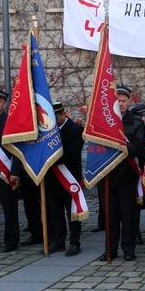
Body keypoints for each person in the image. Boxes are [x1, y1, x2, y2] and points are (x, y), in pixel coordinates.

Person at [98, 84, 145, 261]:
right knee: (109, 216)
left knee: (127, 215)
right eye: (118, 100)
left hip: (126, 175)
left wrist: (120, 141)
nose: (121, 104)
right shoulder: (103, 122)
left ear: (129, 102)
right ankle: (110, 249)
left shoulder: (136, 124)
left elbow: (138, 149)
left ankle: (128, 248)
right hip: (107, 175)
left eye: (124, 101)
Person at [44, 102, 84, 256]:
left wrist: (51, 159)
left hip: (69, 177)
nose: (54, 120)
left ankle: (75, 242)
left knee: (72, 212)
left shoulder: (75, 129)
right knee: (55, 212)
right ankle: (58, 241)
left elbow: (72, 153)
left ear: (63, 114)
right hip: (52, 178)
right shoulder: (47, 131)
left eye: (57, 116)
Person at [0, 87, 22, 252]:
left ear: (4, 103)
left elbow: (17, 149)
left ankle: (11, 241)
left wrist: (15, 171)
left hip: (5, 173)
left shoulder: (11, 122)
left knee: (9, 210)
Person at [130, 103, 145, 244]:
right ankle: (136, 234)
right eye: (144, 116)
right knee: (135, 205)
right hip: (135, 170)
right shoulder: (134, 128)